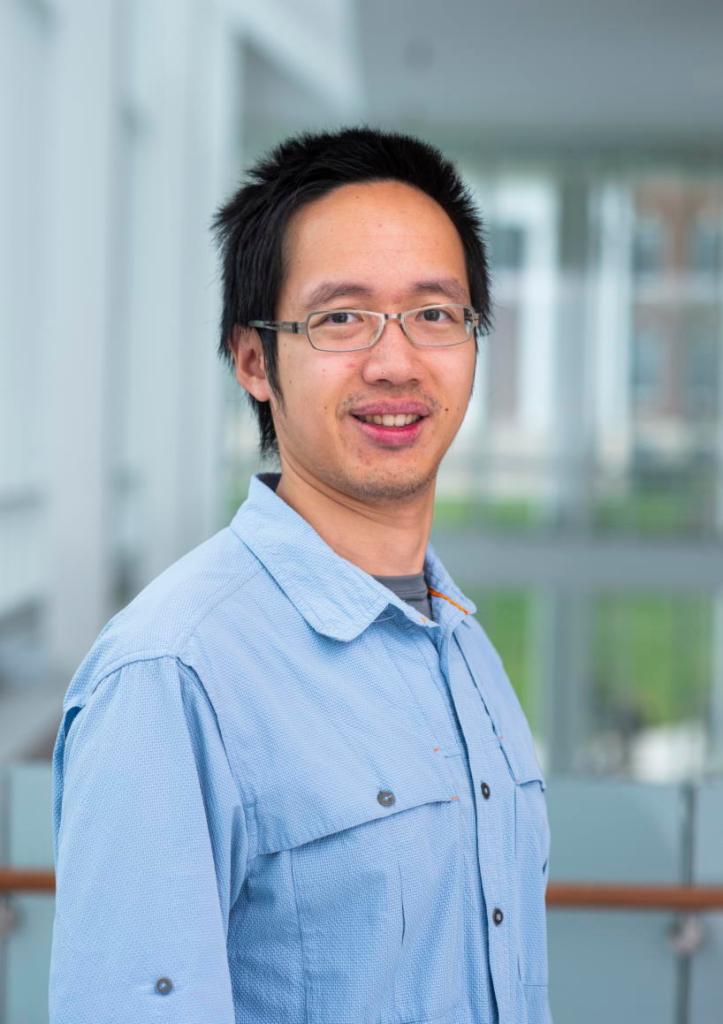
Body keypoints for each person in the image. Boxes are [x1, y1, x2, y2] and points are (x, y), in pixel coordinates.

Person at [49, 126, 551, 1024]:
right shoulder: (175, 673)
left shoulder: (460, 642)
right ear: (253, 360)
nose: (395, 361)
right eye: (340, 317)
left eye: (435, 313)